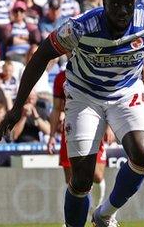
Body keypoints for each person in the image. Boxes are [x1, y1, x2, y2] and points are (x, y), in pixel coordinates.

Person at [0, 0, 144, 227]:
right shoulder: (81, 27)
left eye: (128, 4)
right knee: (82, 180)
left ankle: (105, 214)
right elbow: (40, 56)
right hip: (84, 95)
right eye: (116, 4)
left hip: (126, 92)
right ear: (104, 2)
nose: (123, 11)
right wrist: (17, 106)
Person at [48, 70, 109, 209]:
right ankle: (69, 220)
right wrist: (51, 136)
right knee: (71, 179)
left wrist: (109, 126)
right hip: (69, 128)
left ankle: (97, 210)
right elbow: (57, 108)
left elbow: (106, 100)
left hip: (94, 127)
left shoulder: (95, 71)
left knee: (97, 175)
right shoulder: (60, 77)